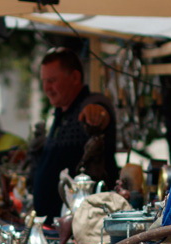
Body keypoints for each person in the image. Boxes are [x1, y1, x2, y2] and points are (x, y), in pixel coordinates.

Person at [30, 47, 118, 221]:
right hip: (54, 224)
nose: (46, 88)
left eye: (52, 80)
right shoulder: (58, 113)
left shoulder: (90, 103)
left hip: (83, 226)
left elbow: (99, 110)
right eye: (44, 81)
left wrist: (96, 113)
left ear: (75, 78)